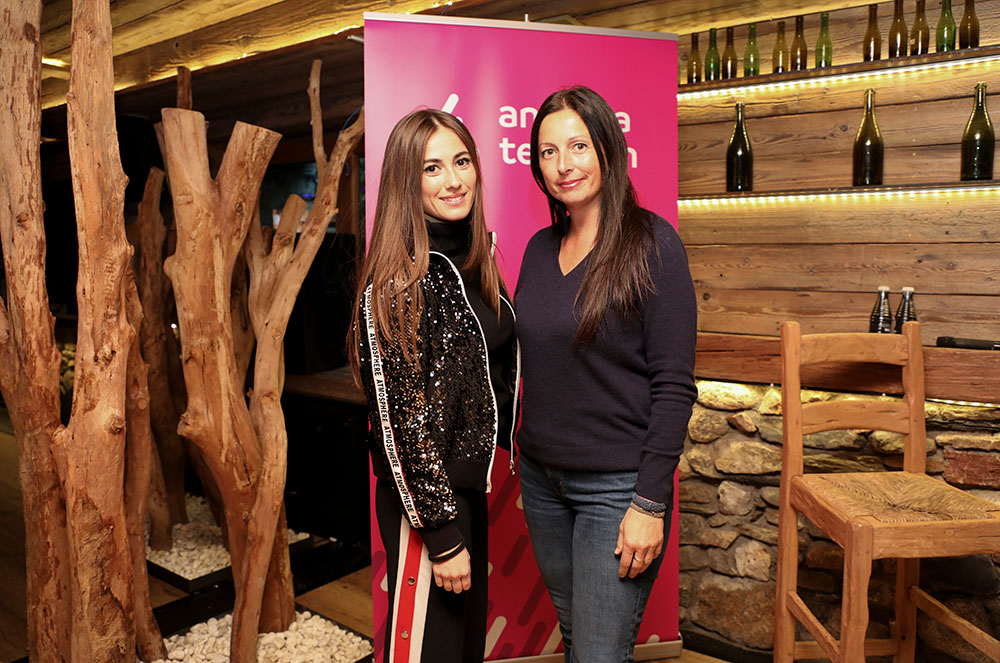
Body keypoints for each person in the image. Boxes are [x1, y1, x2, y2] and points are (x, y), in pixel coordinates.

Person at [514, 85, 698, 663]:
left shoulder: (653, 244)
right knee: (578, 639)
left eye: (577, 146)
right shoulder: (538, 249)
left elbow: (674, 385)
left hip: (616, 489)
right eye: (548, 152)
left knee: (598, 653)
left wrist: (649, 504)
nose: (562, 165)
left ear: (607, 148)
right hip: (541, 479)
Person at [348, 109, 518, 663]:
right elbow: (400, 426)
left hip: (465, 493)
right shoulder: (399, 281)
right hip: (426, 506)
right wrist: (442, 536)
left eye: (462, 161)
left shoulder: (472, 259)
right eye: (432, 168)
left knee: (460, 652)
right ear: (407, 181)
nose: (454, 180)